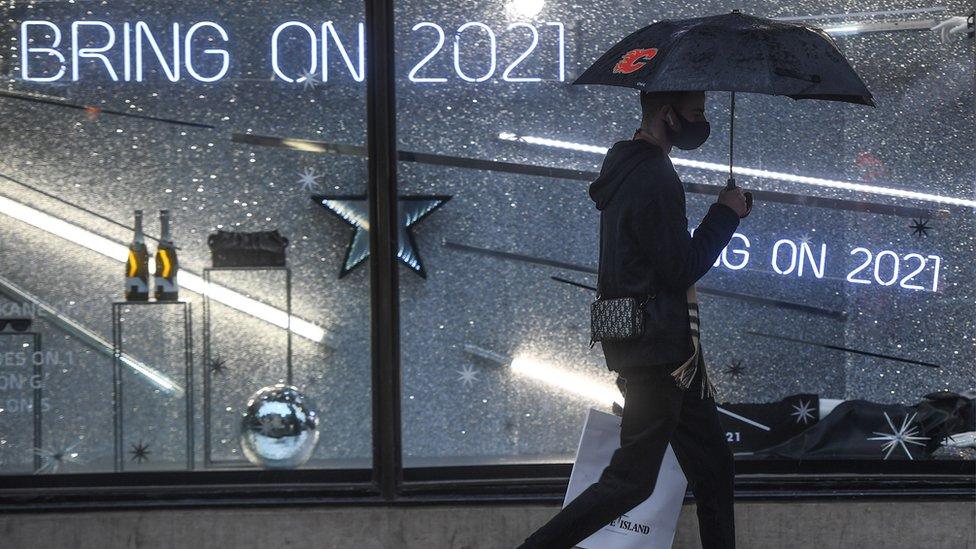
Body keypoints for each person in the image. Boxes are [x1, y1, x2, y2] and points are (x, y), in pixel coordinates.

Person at [517, 90, 751, 549]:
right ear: (668, 114)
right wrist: (726, 214)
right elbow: (679, 267)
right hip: (660, 353)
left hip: (659, 349)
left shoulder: (625, 168)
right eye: (696, 113)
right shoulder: (654, 176)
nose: (702, 122)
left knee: (715, 470)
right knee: (632, 480)